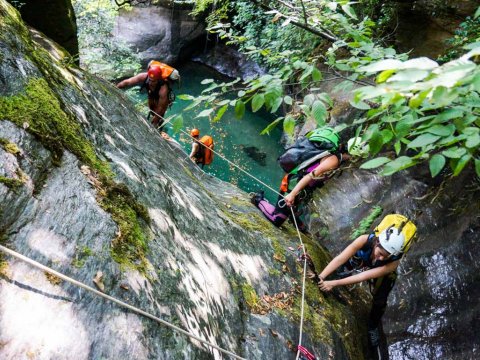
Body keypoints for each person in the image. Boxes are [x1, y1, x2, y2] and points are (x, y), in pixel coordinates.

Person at [315, 214, 416, 358]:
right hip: (364, 256)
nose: (381, 258)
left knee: (380, 300)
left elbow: (362, 277)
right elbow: (341, 257)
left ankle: (373, 325)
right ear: (377, 242)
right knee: (353, 259)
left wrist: (333, 283)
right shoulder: (364, 240)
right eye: (380, 253)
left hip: (383, 272)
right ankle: (345, 269)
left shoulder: (392, 262)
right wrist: (322, 276)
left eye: (385, 256)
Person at [251, 143, 349, 232]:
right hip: (293, 184)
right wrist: (292, 194)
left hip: (302, 188)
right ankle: (258, 199)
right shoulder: (334, 160)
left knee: (294, 213)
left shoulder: (338, 160)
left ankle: (294, 219)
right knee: (276, 219)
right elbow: (310, 176)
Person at [117, 60, 180, 130]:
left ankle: (160, 127)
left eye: (153, 81)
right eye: (150, 80)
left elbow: (160, 107)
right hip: (151, 94)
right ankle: (153, 117)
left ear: (158, 79)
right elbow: (127, 82)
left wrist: (154, 122)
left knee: (160, 115)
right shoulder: (144, 76)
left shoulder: (163, 89)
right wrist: (116, 87)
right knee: (152, 109)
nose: (150, 82)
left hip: (162, 100)